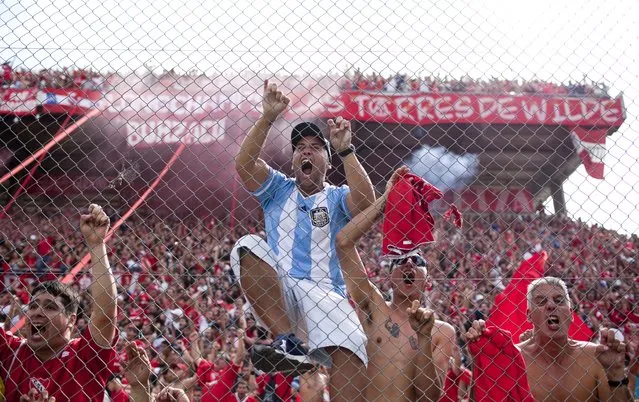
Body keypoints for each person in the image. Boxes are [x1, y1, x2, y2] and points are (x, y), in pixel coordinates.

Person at [233, 80, 375, 401]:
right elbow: (244, 165)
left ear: (326, 160)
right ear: (294, 159)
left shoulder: (336, 198)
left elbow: (366, 201)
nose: (306, 149)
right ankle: (287, 342)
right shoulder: (277, 190)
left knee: (352, 347)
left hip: (328, 297)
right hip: (284, 293)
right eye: (300, 147)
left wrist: (346, 150)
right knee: (247, 246)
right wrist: (267, 118)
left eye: (315, 146)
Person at [335, 166, 455, 401]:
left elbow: (427, 397)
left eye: (417, 260)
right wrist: (385, 200)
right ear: (389, 277)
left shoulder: (441, 331)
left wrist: (423, 337)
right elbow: (343, 243)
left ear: (428, 281)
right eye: (398, 260)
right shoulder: (374, 307)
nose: (408, 263)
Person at [0, 204, 118, 401]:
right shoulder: (11, 350)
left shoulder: (84, 355)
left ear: (71, 320)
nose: (37, 312)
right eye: (34, 306)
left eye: (50, 307)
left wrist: (96, 245)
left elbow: (104, 316)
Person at [466, 276, 634, 401]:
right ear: (529, 316)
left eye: (559, 300)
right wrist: (479, 363)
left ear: (570, 314)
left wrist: (615, 373)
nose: (551, 305)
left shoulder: (595, 357)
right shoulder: (512, 359)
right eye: (541, 301)